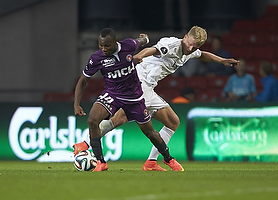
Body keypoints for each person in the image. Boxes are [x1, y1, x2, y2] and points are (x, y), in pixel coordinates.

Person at [74, 26, 239, 171]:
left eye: (194, 46)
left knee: (141, 119)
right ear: (185, 37)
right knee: (162, 121)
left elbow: (202, 55)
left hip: (146, 86)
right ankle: (89, 144)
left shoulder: (189, 51)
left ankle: (89, 145)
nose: (190, 48)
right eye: (189, 43)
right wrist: (138, 56)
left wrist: (222, 60)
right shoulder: (172, 44)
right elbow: (153, 49)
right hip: (139, 83)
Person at [74, 28, 184, 172]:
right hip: (112, 94)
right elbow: (83, 80)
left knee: (150, 132)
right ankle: (101, 162)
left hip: (134, 97)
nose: (103, 49)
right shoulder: (96, 58)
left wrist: (145, 39)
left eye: (106, 46)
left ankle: (168, 158)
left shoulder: (128, 45)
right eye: (101, 46)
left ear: (115, 42)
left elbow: (141, 41)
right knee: (92, 120)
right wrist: (76, 104)